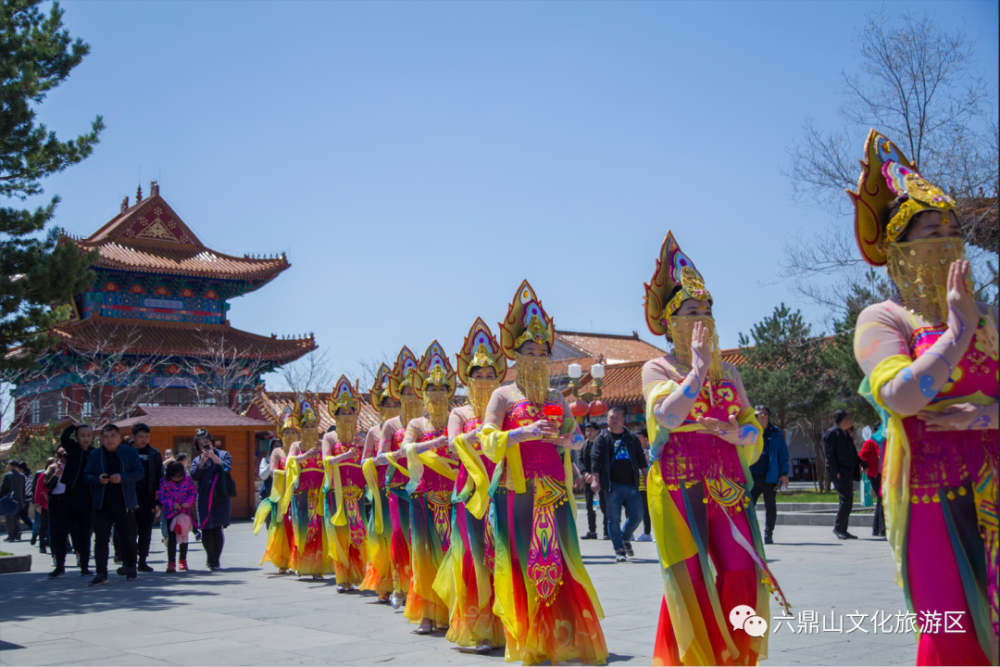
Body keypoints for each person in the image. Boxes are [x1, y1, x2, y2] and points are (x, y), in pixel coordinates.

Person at [847, 130, 997, 664]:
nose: (947, 238)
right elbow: (899, 397)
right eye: (932, 229)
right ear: (898, 248)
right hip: (929, 488)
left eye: (954, 228)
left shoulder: (991, 316)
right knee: (949, 628)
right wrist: (956, 335)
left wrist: (990, 413)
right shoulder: (884, 319)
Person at [642, 232, 787, 665]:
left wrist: (735, 434)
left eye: (707, 309)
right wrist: (699, 371)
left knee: (742, 570)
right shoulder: (657, 366)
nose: (701, 317)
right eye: (691, 311)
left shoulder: (732, 375)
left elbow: (750, 427)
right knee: (691, 574)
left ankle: (736, 655)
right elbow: (667, 416)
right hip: (678, 480)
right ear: (671, 321)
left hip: (726, 481)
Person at [476, 281, 607, 665]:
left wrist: (566, 441)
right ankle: (528, 640)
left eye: (543, 351)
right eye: (529, 350)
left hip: (554, 487)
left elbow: (579, 439)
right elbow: (486, 438)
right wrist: (522, 432)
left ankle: (562, 638)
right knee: (521, 558)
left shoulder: (555, 398)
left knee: (560, 558)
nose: (536, 356)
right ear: (516, 355)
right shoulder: (503, 395)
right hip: (516, 489)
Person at [434, 318, 507, 654]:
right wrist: (472, 435)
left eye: (490, 374)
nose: (484, 379)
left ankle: (507, 626)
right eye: (477, 375)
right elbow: (451, 444)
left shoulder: (504, 407)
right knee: (474, 556)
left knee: (502, 553)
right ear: (467, 379)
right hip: (469, 491)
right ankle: (477, 629)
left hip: (502, 486)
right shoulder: (460, 413)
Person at [395, 341, 460, 634]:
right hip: (425, 497)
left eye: (442, 388)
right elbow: (404, 449)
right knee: (424, 554)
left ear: (450, 392)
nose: (437, 393)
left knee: (455, 552)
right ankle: (426, 614)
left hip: (456, 494)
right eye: (431, 388)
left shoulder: (457, 419)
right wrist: (433, 443)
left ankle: (455, 612)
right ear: (423, 392)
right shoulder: (417, 423)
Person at [377, 345, 420, 610]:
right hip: (397, 487)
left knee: (424, 538)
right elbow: (379, 457)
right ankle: (399, 586)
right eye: (406, 392)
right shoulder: (390, 425)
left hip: (425, 486)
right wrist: (397, 453)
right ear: (399, 394)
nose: (411, 396)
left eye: (416, 391)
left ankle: (421, 588)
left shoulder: (428, 421)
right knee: (400, 535)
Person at [324, 377, 369, 592]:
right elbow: (326, 461)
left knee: (358, 534)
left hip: (358, 494)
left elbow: (368, 464)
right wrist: (344, 456)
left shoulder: (360, 437)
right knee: (340, 534)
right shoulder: (330, 438)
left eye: (350, 412)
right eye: (342, 412)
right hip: (337, 493)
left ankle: (359, 575)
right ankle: (342, 578)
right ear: (335, 414)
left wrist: (364, 451)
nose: (346, 415)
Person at [84, 424, 143, 586]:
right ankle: (101, 573)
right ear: (101, 439)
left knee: (128, 537)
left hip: (125, 502)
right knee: (101, 539)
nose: (109, 440)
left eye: (112, 436)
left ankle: (131, 568)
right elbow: (86, 475)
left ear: (118, 437)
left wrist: (121, 477)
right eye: (106, 437)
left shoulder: (130, 452)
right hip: (102, 504)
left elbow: (139, 472)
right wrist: (98, 479)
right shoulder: (95, 454)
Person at [359, 363, 396, 603]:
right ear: (379, 407)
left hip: (405, 486)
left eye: (396, 403)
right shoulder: (373, 432)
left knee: (401, 535)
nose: (392, 408)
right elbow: (364, 461)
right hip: (381, 488)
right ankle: (385, 583)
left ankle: (402, 583)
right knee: (381, 534)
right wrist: (376, 461)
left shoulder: (408, 427)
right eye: (387, 404)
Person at [283, 396, 331, 579]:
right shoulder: (297, 445)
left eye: (312, 426)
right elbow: (289, 461)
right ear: (300, 429)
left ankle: (318, 567)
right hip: (302, 491)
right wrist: (305, 456)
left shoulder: (322, 444)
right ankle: (301, 564)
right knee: (303, 526)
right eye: (306, 427)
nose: (309, 430)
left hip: (319, 492)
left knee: (319, 528)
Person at [590, 407, 647, 562]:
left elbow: (640, 458)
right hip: (612, 485)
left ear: (623, 420)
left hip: (632, 484)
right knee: (613, 519)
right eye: (610, 417)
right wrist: (595, 479)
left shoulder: (631, 437)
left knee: (637, 515)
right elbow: (595, 460)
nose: (613, 419)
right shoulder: (602, 438)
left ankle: (625, 538)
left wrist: (646, 475)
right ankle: (619, 550)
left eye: (616, 417)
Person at [49, 424, 94, 578]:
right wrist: (74, 425)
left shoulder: (95, 453)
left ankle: (85, 566)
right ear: (77, 437)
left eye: (89, 435)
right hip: (69, 494)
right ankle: (60, 566)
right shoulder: (73, 447)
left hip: (86, 497)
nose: (86, 438)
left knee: (84, 533)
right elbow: (63, 437)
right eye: (82, 435)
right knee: (61, 531)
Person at [191, 429, 233, 571]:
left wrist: (214, 458)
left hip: (220, 496)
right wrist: (202, 462)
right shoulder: (197, 460)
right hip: (204, 497)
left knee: (217, 529)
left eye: (207, 443)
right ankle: (210, 557)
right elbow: (194, 476)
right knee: (206, 529)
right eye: (201, 444)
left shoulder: (223, 454)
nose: (204, 447)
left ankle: (216, 559)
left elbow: (227, 467)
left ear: (212, 443)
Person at [254, 425, 292, 574]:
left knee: (291, 528)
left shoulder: (291, 454)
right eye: (275, 447)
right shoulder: (266, 460)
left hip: (289, 496)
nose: (279, 448)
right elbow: (264, 475)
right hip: (272, 498)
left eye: (280, 445)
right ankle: (280, 559)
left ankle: (290, 559)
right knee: (275, 529)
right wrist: (273, 464)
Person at [749, 406, 790, 545]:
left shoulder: (776, 433)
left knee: (770, 506)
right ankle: (749, 533)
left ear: (765, 417)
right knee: (747, 506)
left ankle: (768, 534)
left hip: (769, 477)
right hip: (752, 476)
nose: (754, 417)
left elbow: (783, 455)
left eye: (757, 415)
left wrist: (784, 474)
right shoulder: (749, 430)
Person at [823, 410, 864, 540]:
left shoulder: (845, 434)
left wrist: (862, 462)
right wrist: (836, 472)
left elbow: (852, 453)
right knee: (846, 500)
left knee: (847, 501)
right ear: (843, 420)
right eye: (849, 419)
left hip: (849, 471)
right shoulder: (831, 434)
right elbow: (829, 456)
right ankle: (838, 528)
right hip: (840, 473)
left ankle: (843, 529)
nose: (850, 421)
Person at [127, 423, 162, 573]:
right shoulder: (126, 452)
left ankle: (142, 561)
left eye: (146, 436)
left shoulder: (154, 453)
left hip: (147, 499)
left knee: (145, 531)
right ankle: (129, 561)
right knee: (129, 531)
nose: (144, 439)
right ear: (133, 436)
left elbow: (160, 478)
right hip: (129, 498)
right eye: (140, 436)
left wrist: (159, 501)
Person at [157, 461, 197, 572]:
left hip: (185, 514)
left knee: (184, 538)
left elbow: (193, 493)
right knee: (172, 539)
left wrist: (188, 503)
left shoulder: (188, 480)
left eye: (180, 476)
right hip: (171, 514)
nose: (178, 479)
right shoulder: (164, 482)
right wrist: (171, 505)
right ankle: (171, 563)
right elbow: (161, 496)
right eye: (175, 477)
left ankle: (183, 561)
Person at [859, 433, 885, 537]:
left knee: (881, 500)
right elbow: (861, 455)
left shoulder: (886, 443)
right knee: (881, 498)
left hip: (885, 475)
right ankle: (881, 529)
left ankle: (876, 529)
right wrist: (864, 465)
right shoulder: (870, 443)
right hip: (874, 474)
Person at [580, 422, 603, 540]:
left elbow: (604, 462)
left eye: (591, 431)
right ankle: (592, 531)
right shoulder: (585, 445)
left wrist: (596, 476)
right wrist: (585, 473)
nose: (588, 433)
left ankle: (607, 532)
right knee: (589, 507)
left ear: (597, 431)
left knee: (604, 505)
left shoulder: (602, 444)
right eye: (587, 431)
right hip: (588, 479)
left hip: (601, 478)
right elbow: (580, 461)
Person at [634, 429, 653, 542]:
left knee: (647, 510)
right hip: (637, 483)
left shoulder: (651, 450)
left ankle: (647, 533)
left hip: (648, 484)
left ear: (646, 438)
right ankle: (630, 533)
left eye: (639, 436)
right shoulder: (634, 450)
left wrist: (648, 457)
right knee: (634, 509)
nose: (637, 439)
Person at [33, 458, 55, 553]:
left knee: (55, 526)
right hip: (44, 504)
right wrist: (38, 504)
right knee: (44, 525)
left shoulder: (58, 474)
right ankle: (42, 545)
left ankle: (56, 543)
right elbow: (38, 490)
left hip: (55, 503)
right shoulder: (43, 475)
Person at [1, 460, 27, 541]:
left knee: (9, 517)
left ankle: (11, 535)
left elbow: (2, 489)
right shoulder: (22, 476)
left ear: (11, 466)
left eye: (8, 465)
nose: (7, 466)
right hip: (19, 500)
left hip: (10, 500)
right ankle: (18, 531)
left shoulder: (7, 475)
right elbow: (23, 490)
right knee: (15, 516)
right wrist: (24, 501)